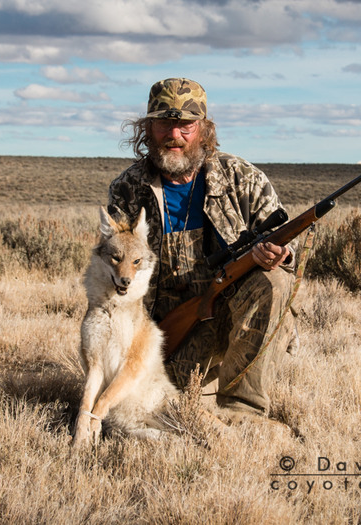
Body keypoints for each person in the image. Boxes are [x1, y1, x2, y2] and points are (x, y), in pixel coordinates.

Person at [106, 77, 297, 423]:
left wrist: (280, 254)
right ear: (148, 128)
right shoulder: (127, 190)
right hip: (161, 334)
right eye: (164, 123)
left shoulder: (241, 177)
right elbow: (113, 275)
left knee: (275, 283)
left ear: (204, 129)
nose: (174, 135)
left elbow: (285, 238)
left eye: (186, 126)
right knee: (140, 411)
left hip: (230, 316)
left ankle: (243, 410)